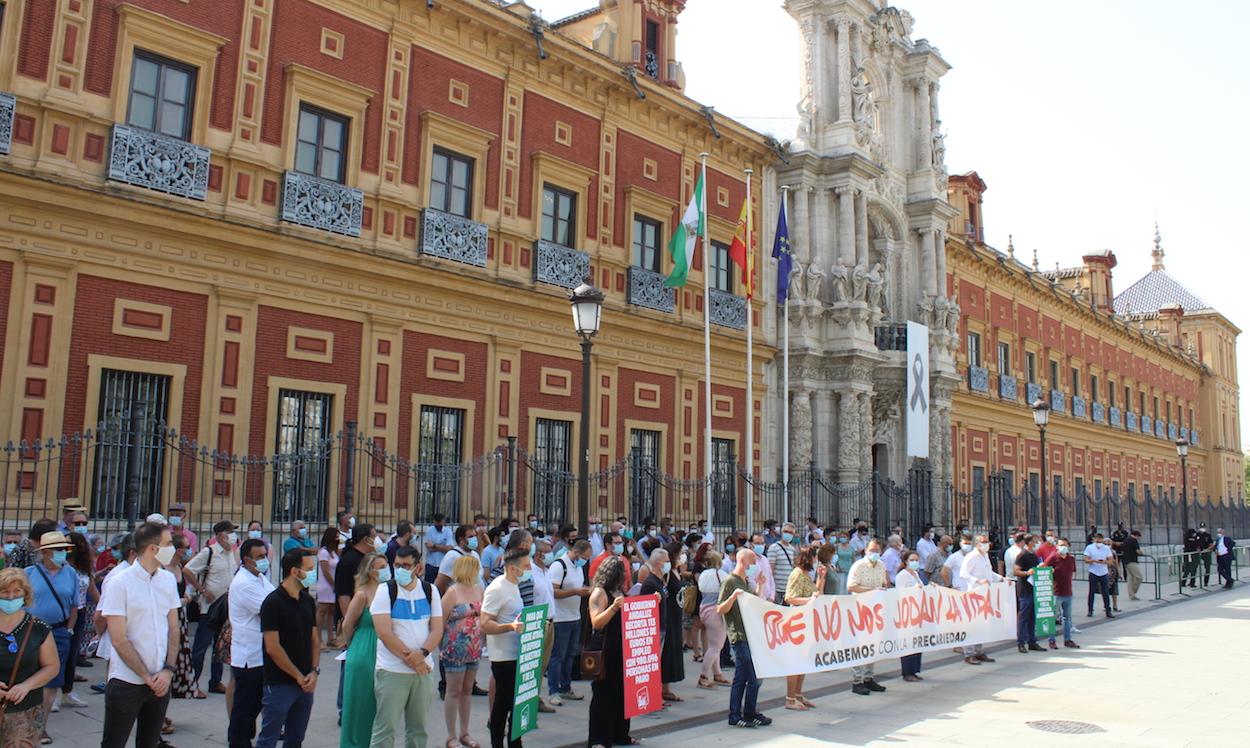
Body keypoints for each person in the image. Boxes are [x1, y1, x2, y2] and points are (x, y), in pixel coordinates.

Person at [98, 522, 181, 748]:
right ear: (153, 548)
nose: (173, 549)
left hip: (161, 679)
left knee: (149, 742)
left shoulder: (167, 580)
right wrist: (146, 676)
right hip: (127, 680)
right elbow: (119, 639)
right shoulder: (120, 583)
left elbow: (174, 629)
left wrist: (167, 670)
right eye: (168, 544)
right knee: (114, 742)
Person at [368, 546, 442, 748]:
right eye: (397, 565)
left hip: (423, 671)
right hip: (392, 671)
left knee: (418, 730)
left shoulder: (430, 590)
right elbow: (384, 632)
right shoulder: (385, 590)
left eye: (406, 565)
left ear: (418, 567)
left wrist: (422, 654)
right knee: (385, 729)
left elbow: (436, 629)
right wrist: (413, 660)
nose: (400, 569)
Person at [255, 549, 319, 748]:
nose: (312, 573)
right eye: (309, 569)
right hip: (280, 682)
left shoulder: (307, 600)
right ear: (294, 571)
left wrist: (314, 671)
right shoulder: (273, 602)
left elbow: (315, 639)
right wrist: (297, 676)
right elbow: (273, 647)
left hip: (306, 681)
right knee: (269, 737)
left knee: (296, 737)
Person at [25, 531, 78, 741]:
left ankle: (41, 726)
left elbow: (75, 605)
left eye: (65, 549)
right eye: (58, 550)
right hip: (30, 631)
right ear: (45, 552)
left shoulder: (71, 573)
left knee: (52, 680)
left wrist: (69, 628)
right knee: (27, 676)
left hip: (58, 631)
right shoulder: (29, 572)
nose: (62, 553)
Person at [0, 567, 60, 747]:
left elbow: (52, 666)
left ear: (25, 594)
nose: (11, 597)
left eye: (16, 591)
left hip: (25, 711)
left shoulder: (38, 627)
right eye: (5, 592)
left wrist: (27, 685)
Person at [227, 538, 274, 748]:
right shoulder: (244, 583)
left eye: (265, 555)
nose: (265, 560)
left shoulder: (259, 577)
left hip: (259, 653)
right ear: (246, 559)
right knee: (245, 706)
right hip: (249, 655)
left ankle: (244, 736)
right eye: (260, 557)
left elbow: (275, 597)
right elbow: (271, 609)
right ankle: (238, 742)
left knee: (254, 703)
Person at [184, 520, 239, 697]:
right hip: (209, 608)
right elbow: (187, 570)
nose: (233, 536)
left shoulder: (231, 553)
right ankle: (192, 683)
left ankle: (215, 682)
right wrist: (202, 590)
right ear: (221, 535)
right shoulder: (209, 552)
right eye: (231, 532)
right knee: (201, 647)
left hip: (226, 607)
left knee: (220, 647)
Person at [481, 546, 529, 748]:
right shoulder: (497, 588)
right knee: (502, 705)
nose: (529, 569)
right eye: (526, 566)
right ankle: (496, 743)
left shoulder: (514, 586)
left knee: (516, 705)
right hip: (503, 657)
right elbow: (484, 623)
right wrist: (509, 627)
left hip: (518, 653)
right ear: (512, 568)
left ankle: (515, 742)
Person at [338, 552, 387, 748]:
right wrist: (354, 647)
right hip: (364, 647)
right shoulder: (362, 594)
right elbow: (347, 625)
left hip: (385, 647)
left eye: (386, 566)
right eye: (380, 567)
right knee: (361, 701)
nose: (385, 570)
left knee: (380, 702)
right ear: (370, 571)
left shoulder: (389, 591)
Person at [717, 548, 770, 729]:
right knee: (752, 676)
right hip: (738, 635)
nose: (754, 566)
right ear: (743, 562)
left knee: (745, 676)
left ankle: (743, 713)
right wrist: (732, 598)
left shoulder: (743, 581)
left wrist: (760, 586)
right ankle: (742, 713)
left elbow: (751, 601)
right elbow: (720, 609)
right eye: (752, 562)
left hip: (749, 634)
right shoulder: (730, 582)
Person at [586, 556, 634, 747]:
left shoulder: (619, 591)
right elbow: (596, 622)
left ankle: (620, 734)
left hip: (622, 649)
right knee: (604, 696)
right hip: (607, 651)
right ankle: (599, 739)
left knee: (622, 695)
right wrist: (614, 608)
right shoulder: (600, 592)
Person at [439, 554, 484, 748]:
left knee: (467, 690)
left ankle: (465, 732)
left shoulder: (479, 589)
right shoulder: (452, 592)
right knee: (454, 690)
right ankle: (451, 736)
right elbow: (440, 620)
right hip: (454, 647)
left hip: (474, 647)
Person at [547, 540, 589, 705]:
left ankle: (566, 687)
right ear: (577, 553)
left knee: (570, 655)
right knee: (557, 656)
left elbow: (578, 585)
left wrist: (585, 589)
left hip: (574, 616)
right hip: (560, 618)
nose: (585, 560)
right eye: (584, 557)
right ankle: (553, 690)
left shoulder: (577, 566)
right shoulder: (559, 566)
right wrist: (575, 591)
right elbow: (554, 592)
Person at [783, 547, 824, 709]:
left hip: (807, 620)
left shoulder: (806, 575)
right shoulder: (797, 574)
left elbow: (816, 593)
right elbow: (790, 597)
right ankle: (790, 698)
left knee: (804, 660)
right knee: (795, 659)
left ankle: (798, 694)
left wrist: (821, 577)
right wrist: (808, 600)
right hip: (798, 621)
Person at [640, 547, 683, 703]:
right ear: (658, 563)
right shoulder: (650, 583)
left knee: (658, 662)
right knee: (653, 664)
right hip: (655, 628)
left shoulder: (660, 581)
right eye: (666, 561)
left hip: (662, 627)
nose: (669, 564)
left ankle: (661, 692)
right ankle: (653, 695)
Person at [58, 529, 95, 710]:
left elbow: (92, 590)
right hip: (62, 612)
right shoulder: (61, 566)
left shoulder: (83, 568)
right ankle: (53, 692)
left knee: (72, 654)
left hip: (79, 612)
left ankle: (67, 691)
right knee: (58, 654)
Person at [846, 539, 889, 695]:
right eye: (872, 550)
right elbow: (851, 586)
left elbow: (884, 584)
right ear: (866, 550)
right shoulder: (858, 566)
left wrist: (882, 589)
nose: (874, 553)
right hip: (860, 608)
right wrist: (871, 590)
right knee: (859, 644)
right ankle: (857, 680)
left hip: (875, 609)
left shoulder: (881, 566)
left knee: (873, 643)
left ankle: (868, 677)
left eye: (877, 550)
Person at [958, 534, 1002, 665]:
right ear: (977, 544)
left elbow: (989, 573)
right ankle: (969, 653)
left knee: (982, 624)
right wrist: (977, 581)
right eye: (984, 542)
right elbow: (963, 574)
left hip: (984, 594)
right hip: (973, 593)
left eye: (987, 541)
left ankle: (978, 651)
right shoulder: (971, 557)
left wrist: (1001, 579)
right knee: (972, 625)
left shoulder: (985, 556)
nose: (987, 544)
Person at [695, 550, 730, 689]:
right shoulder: (721, 575)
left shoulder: (703, 574)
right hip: (716, 611)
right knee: (716, 646)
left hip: (704, 608)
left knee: (713, 645)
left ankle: (717, 673)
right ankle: (703, 676)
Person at [895, 550, 925, 681]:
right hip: (907, 612)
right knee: (908, 642)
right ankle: (907, 672)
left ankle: (914, 670)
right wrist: (914, 590)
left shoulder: (916, 574)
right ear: (906, 561)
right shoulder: (902, 575)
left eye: (916, 560)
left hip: (918, 611)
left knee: (917, 642)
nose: (914, 562)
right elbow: (900, 593)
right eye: (912, 560)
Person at [1012, 535, 1044, 654]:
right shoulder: (1022, 555)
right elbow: (1015, 571)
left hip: (1033, 589)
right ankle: (1021, 642)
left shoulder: (1034, 556)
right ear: (1030, 543)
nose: (1037, 543)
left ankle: (1032, 641)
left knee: (1032, 618)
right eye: (1036, 542)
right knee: (1023, 618)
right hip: (1025, 590)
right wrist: (1026, 573)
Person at [1047, 538, 1079, 650]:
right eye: (1060, 545)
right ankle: (1051, 640)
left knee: (1067, 618)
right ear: (1057, 546)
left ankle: (1067, 639)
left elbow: (1072, 573)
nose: (1063, 547)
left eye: (1065, 545)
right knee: (1053, 617)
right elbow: (1044, 570)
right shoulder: (1053, 558)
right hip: (1056, 592)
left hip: (1068, 592)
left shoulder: (1071, 559)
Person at [435, 525, 481, 595]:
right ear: (461, 539)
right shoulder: (452, 556)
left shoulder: (475, 554)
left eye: (475, 536)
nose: (474, 539)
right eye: (470, 537)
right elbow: (440, 583)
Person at [316, 528, 341, 650]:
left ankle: (331, 638)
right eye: (336, 536)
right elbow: (325, 570)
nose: (338, 538)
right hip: (326, 585)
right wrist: (334, 584)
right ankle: (318, 639)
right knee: (322, 610)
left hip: (333, 584)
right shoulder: (323, 552)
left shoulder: (334, 552)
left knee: (331, 611)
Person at [1083, 532, 1114, 618]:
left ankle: (1108, 610)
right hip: (1093, 571)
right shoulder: (1090, 547)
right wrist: (1093, 561)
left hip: (1103, 572)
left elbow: (1111, 561)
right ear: (1094, 540)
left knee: (1105, 592)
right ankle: (1090, 610)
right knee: (1092, 591)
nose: (1098, 544)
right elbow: (1085, 559)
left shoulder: (1106, 548)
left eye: (1100, 542)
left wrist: (1104, 562)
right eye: (1097, 541)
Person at [766, 524, 796, 604]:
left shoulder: (792, 549)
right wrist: (771, 589)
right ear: (781, 533)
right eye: (786, 531)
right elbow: (770, 569)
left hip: (788, 590)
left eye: (791, 532)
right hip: (777, 590)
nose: (788, 534)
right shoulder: (774, 547)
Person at [424, 514, 454, 585]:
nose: (438, 525)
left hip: (443, 564)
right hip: (431, 564)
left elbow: (449, 548)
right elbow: (429, 548)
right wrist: (443, 547)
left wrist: (434, 545)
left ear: (443, 521)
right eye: (436, 523)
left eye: (440, 522)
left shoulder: (448, 531)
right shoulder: (429, 530)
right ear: (434, 521)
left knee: (442, 587)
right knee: (428, 586)